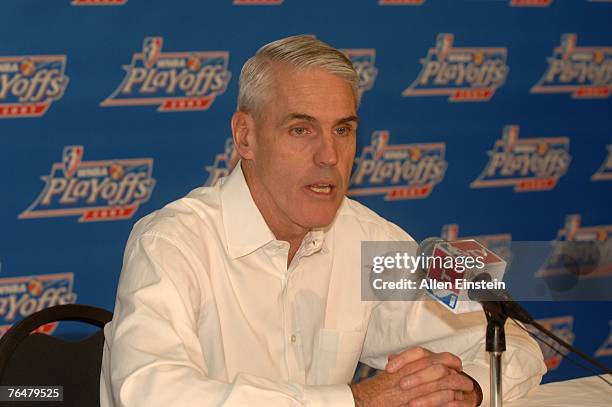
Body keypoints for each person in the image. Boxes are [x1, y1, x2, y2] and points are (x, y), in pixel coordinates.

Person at [100, 35, 546, 406]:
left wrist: (464, 389)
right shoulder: (172, 241)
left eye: (343, 130)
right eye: (301, 130)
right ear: (245, 137)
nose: (329, 156)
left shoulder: (369, 240)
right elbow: (150, 394)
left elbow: (512, 340)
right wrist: (356, 401)